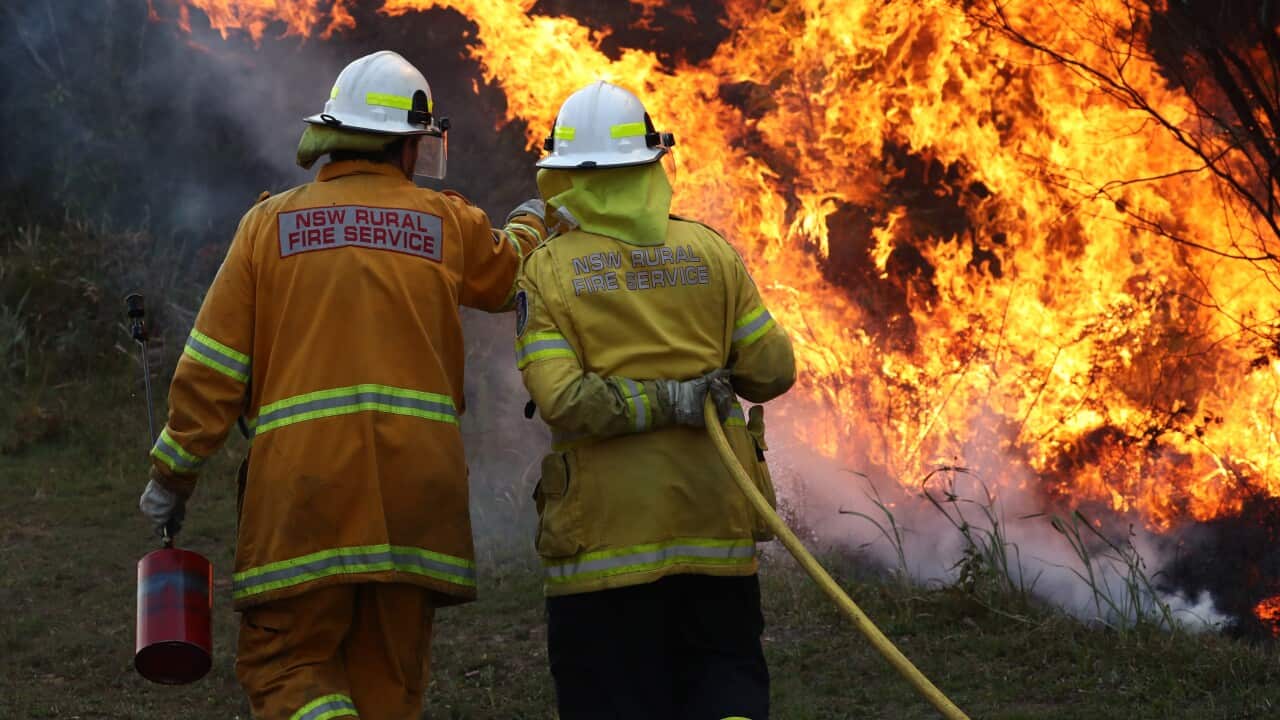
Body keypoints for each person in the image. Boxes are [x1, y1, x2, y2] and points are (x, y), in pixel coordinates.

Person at [137, 50, 546, 720]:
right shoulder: (447, 223)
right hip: (419, 497)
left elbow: (211, 370)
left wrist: (172, 476)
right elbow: (514, 273)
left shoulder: (267, 228)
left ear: (333, 133)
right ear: (409, 147)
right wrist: (537, 217)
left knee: (286, 666)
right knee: (387, 686)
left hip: (305, 496)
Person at [514, 80, 796, 720]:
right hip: (714, 536)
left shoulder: (550, 269)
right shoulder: (710, 251)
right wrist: (687, 389)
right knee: (724, 691)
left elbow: (562, 400)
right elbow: (773, 372)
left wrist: (651, 400)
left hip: (604, 554)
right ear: (651, 164)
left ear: (562, 177)